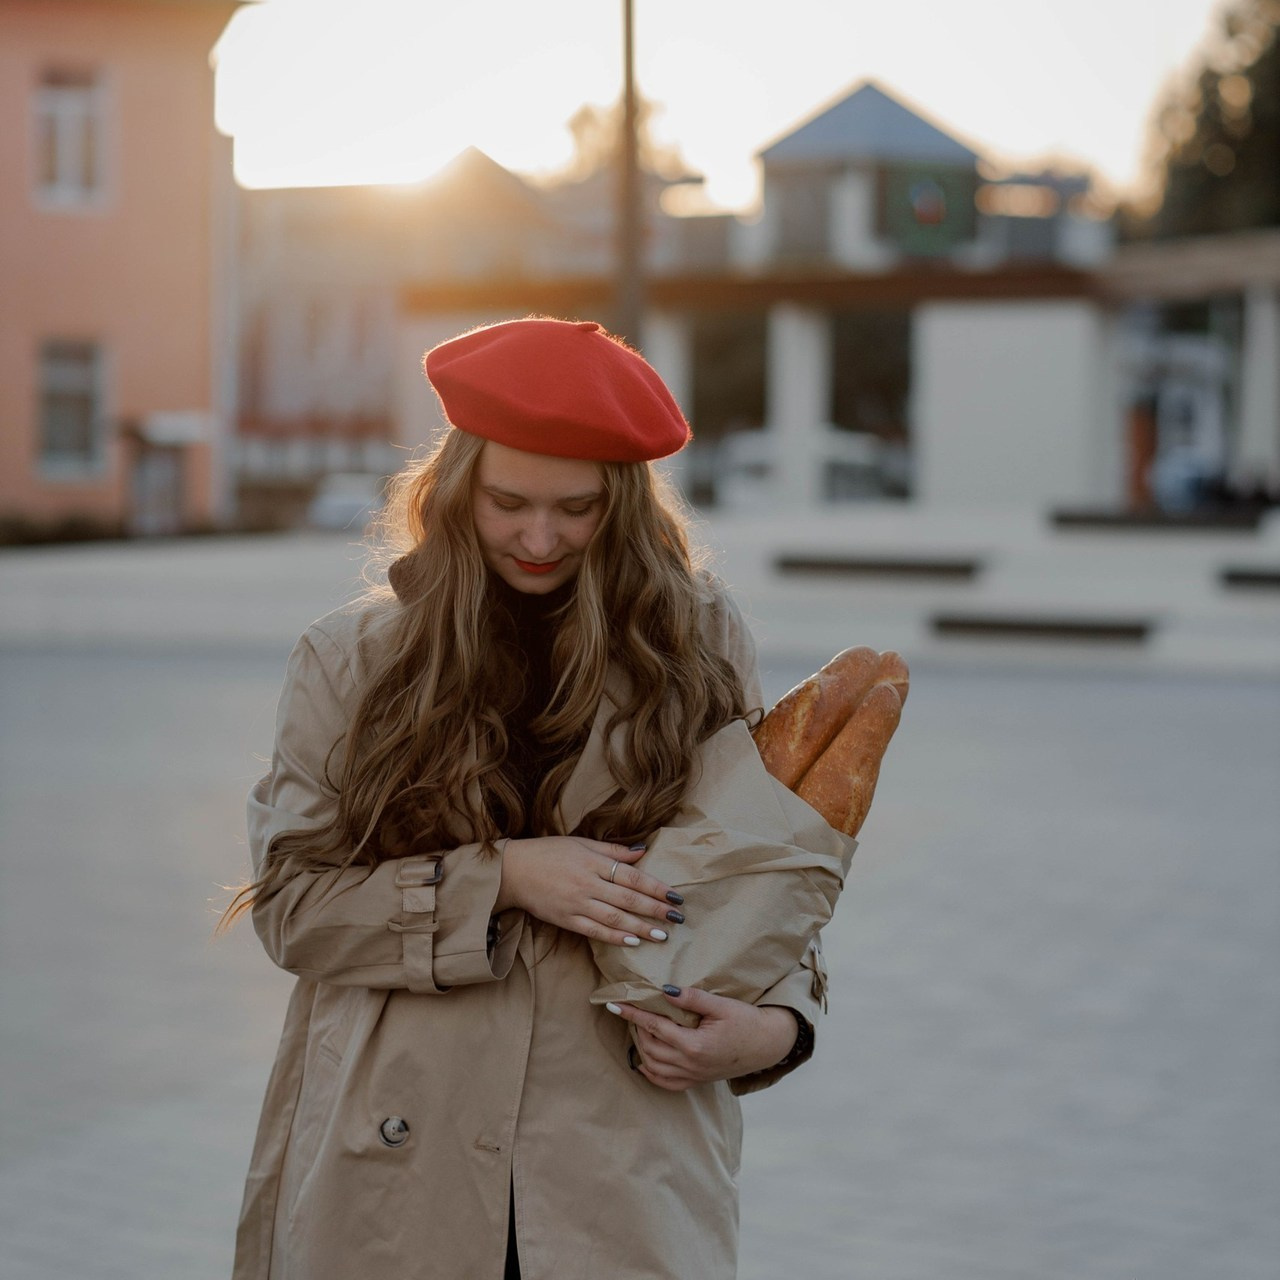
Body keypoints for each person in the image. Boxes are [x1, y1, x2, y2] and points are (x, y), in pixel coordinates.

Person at [227, 318, 834, 1280]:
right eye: (508, 502)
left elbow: (759, 874)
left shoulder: (702, 646)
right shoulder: (352, 659)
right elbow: (294, 909)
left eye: (578, 509)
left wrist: (772, 1031)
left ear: (625, 505)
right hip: (397, 1158)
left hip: (621, 1161)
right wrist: (503, 877)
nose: (539, 538)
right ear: (457, 483)